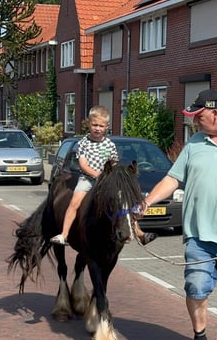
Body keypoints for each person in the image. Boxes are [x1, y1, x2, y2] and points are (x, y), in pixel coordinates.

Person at [140, 89, 217, 340]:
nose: (194, 122)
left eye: (197, 116)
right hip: (199, 234)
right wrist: (147, 202)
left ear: (214, 112)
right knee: (196, 289)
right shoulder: (195, 144)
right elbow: (173, 179)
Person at [50, 105, 157, 246]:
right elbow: (83, 164)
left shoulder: (110, 145)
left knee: (124, 203)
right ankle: (64, 234)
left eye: (101, 126)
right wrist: (98, 175)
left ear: (107, 126)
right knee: (74, 202)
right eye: (94, 125)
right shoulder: (83, 143)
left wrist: (115, 178)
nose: (97, 128)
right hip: (87, 179)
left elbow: (114, 164)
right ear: (88, 123)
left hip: (107, 182)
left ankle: (139, 233)